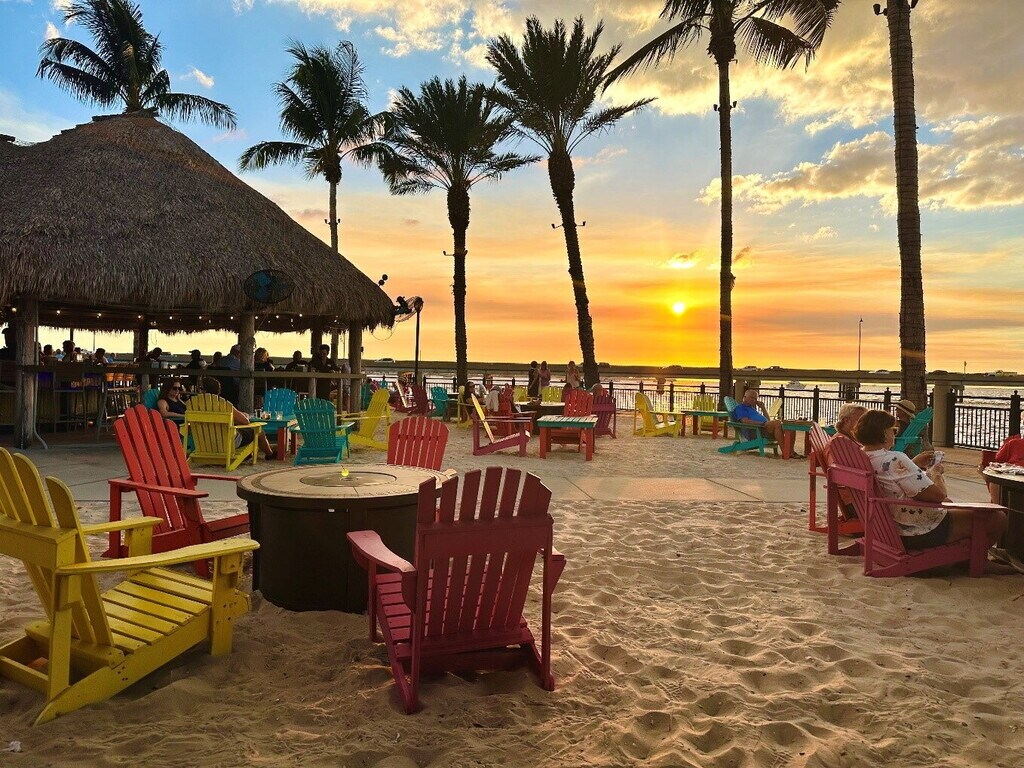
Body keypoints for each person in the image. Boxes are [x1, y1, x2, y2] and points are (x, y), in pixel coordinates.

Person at [855, 409, 1008, 564]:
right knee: (997, 517)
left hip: (882, 530)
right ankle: (976, 563)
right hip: (915, 532)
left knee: (950, 504)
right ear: (883, 433)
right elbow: (938, 496)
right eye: (892, 430)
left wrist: (912, 464)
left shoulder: (861, 457)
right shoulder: (895, 458)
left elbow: (889, 478)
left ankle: (965, 558)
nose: (894, 434)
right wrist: (936, 473)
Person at [201, 376, 276, 460]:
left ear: (204, 391)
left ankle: (247, 454)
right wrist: (245, 415)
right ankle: (270, 454)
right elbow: (246, 421)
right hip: (228, 443)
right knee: (258, 431)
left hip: (204, 443)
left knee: (243, 430)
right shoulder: (224, 405)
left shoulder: (195, 406)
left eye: (200, 389)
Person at [985, 434, 1024, 503]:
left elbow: (998, 458)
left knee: (996, 482)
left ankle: (998, 507)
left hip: (1010, 480)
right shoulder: (1013, 443)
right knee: (996, 481)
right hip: (1013, 478)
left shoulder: (1013, 443)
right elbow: (999, 459)